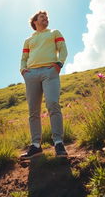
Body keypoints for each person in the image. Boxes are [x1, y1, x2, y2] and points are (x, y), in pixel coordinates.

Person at [20, 10, 68, 160]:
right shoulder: (28, 40)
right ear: (35, 21)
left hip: (50, 72)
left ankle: (58, 143)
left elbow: (63, 50)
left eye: (47, 17)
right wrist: (23, 71)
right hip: (31, 75)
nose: (46, 19)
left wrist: (58, 65)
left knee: (53, 104)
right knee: (33, 110)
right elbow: (24, 58)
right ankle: (35, 146)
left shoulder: (54, 33)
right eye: (42, 17)